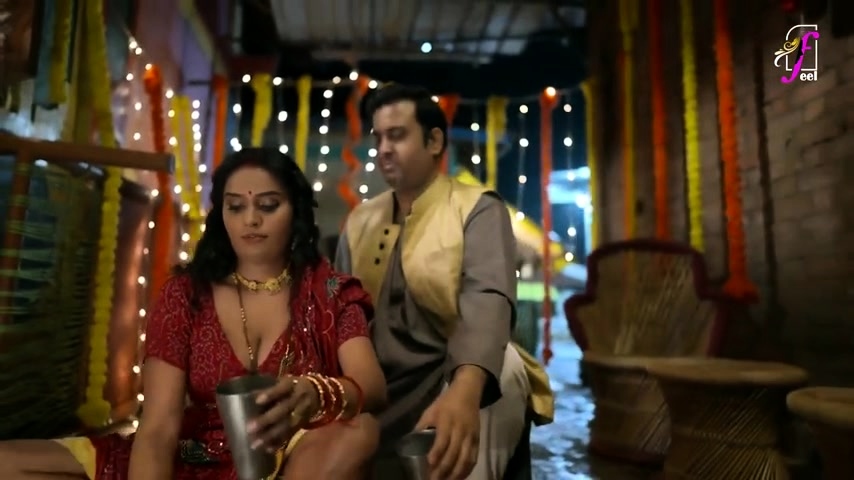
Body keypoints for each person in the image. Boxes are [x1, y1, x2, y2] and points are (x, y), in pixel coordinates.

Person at [0, 148, 387, 479]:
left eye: (268, 206)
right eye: (236, 207)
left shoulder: (330, 291)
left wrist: (318, 394)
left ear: (295, 212)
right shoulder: (186, 294)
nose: (251, 219)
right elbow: (158, 428)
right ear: (221, 215)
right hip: (193, 457)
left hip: (293, 459)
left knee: (360, 431)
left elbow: (372, 386)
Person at [335, 84, 554, 480]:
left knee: (504, 368)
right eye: (378, 137)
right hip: (378, 388)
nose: (383, 149)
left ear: (434, 141)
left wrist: (465, 389)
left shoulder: (477, 207)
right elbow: (340, 314)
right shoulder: (360, 221)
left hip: (456, 377)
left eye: (397, 135)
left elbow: (487, 299)